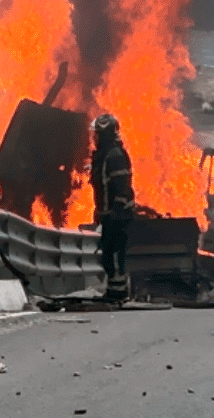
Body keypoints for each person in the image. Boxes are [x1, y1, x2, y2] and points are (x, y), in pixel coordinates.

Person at [89, 113, 135, 301]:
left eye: (97, 134)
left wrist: (115, 210)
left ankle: (118, 292)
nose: (94, 138)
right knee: (109, 255)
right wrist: (100, 212)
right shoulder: (104, 155)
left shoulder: (114, 155)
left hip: (118, 216)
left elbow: (122, 186)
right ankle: (114, 290)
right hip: (109, 215)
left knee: (115, 256)